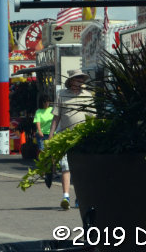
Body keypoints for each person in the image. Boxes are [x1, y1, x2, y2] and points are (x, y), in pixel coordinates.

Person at [50, 70, 93, 210]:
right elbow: (56, 117)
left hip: (83, 137)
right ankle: (66, 196)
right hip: (65, 136)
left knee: (82, 169)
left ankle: (79, 197)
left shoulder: (88, 95)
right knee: (66, 167)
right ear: (71, 81)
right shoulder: (62, 94)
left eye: (82, 78)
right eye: (77, 78)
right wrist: (51, 135)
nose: (80, 81)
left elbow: (92, 118)